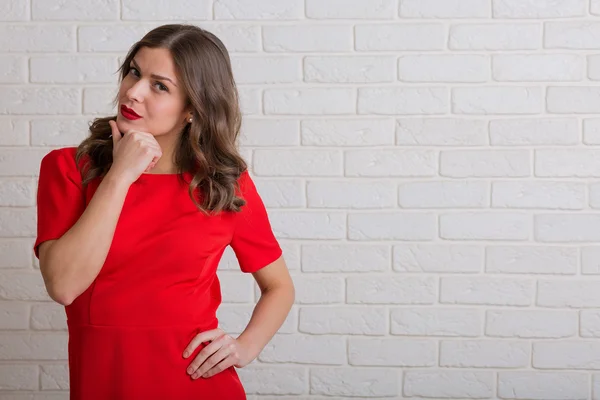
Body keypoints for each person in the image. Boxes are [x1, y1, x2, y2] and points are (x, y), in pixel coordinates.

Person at [33, 24, 295, 400]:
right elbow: (63, 286)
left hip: (199, 384)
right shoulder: (70, 168)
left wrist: (245, 346)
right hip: (104, 384)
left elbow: (279, 287)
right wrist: (120, 175)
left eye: (160, 86)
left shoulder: (223, 184)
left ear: (192, 108)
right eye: (134, 72)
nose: (133, 92)